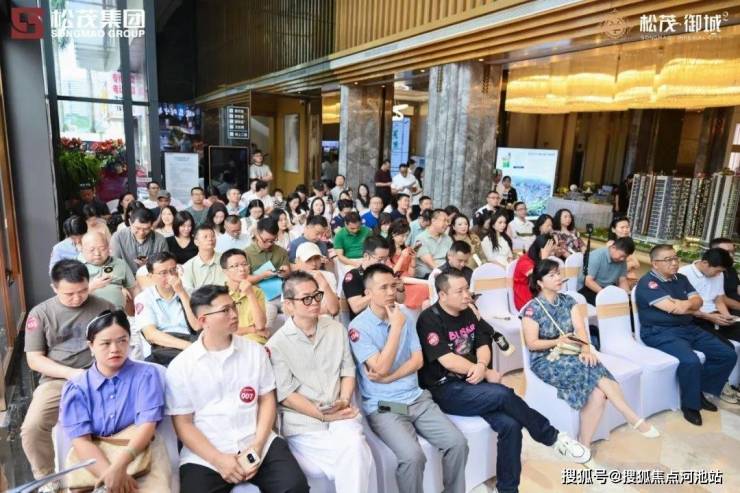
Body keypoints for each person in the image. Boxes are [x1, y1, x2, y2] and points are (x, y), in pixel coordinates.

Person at [419, 270, 596, 493]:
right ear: (443, 295)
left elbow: (483, 343)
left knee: (511, 425)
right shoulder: (429, 319)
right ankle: (551, 436)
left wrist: (482, 366)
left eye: (467, 289)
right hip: (446, 388)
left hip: (475, 382)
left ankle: (508, 489)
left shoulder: (469, 311)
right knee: (503, 394)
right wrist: (483, 372)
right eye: (460, 291)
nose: (467, 295)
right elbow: (448, 360)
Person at [166, 285, 308, 493]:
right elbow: (183, 424)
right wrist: (218, 459)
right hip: (207, 454)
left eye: (233, 307)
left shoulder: (255, 352)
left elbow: (266, 400)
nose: (234, 314)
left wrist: (257, 446)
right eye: (225, 310)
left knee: (294, 487)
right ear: (203, 320)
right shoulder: (181, 366)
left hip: (257, 441)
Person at [348, 264, 468, 493]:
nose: (391, 292)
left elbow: (418, 361)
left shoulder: (405, 317)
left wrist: (390, 376)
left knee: (457, 443)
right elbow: (379, 367)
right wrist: (396, 328)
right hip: (385, 406)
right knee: (413, 457)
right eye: (383, 288)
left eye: (393, 286)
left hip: (417, 399)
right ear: (368, 293)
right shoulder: (358, 327)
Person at [521, 261, 659, 447]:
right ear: (540, 282)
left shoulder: (568, 301)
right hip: (546, 359)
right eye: (551, 275)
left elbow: (580, 329)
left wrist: (587, 349)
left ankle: (584, 445)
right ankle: (631, 416)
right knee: (592, 369)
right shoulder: (532, 309)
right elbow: (532, 344)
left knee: (598, 391)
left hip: (571, 353)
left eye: (558, 273)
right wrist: (558, 341)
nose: (558, 278)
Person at [266, 272, 377, 493]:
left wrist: (344, 400)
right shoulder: (276, 344)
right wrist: (324, 415)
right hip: (304, 421)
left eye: (317, 295)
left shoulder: (336, 329)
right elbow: (287, 395)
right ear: (289, 305)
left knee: (354, 448)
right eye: (306, 299)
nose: (315, 302)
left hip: (340, 411)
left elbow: (347, 371)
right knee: (358, 456)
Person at [21, 260, 115, 485]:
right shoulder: (41, 313)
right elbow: (34, 359)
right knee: (32, 428)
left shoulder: (105, 308)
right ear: (54, 288)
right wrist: (71, 373)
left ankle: (111, 473)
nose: (77, 298)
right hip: (57, 379)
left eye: (83, 290)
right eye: (69, 294)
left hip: (101, 375)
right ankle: (46, 480)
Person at [59, 310, 171, 492]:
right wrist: (110, 474)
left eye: (122, 341)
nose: (115, 349)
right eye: (105, 343)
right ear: (91, 346)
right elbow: (81, 441)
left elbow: (147, 426)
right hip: (94, 461)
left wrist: (120, 465)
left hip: (142, 453)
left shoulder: (146, 375)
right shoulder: (77, 387)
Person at [635, 244, 737, 426]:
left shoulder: (681, 278)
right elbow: (674, 308)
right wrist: (686, 305)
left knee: (727, 354)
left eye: (675, 258)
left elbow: (698, 302)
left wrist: (685, 304)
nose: (674, 263)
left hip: (687, 327)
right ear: (655, 263)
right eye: (668, 260)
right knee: (690, 361)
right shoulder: (648, 283)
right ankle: (690, 405)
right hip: (659, 332)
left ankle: (698, 391)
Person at [678, 247, 740, 403]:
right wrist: (711, 318)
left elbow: (719, 301)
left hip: (714, 316)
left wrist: (727, 316)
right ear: (705, 263)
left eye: (721, 272)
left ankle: (730, 382)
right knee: (726, 348)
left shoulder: (719, 274)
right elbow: (683, 307)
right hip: (695, 318)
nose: (719, 275)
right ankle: (717, 385)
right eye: (717, 271)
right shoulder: (684, 274)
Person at [135, 252, 200, 366]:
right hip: (162, 351)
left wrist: (182, 293)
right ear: (151, 277)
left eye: (173, 270)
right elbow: (151, 335)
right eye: (163, 273)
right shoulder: (144, 298)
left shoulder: (190, 293)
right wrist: (189, 347)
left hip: (191, 343)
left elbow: (197, 326)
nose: (171, 276)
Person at [343, 235, 405, 321]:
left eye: (386, 259)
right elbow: (356, 307)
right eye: (380, 259)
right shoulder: (353, 276)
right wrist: (378, 291)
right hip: (365, 322)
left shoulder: (386, 272)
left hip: (388, 317)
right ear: (366, 256)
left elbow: (400, 300)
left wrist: (400, 289)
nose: (383, 263)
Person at [245, 217, 291, 328]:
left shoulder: (281, 252)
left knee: (294, 318)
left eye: (273, 240)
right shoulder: (246, 253)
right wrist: (262, 276)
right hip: (260, 295)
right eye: (265, 240)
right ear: (257, 234)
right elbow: (244, 279)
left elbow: (288, 273)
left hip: (281, 293)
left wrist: (284, 272)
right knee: (267, 324)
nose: (269, 244)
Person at [221, 248, 269, 344]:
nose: (242, 269)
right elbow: (222, 331)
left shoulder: (257, 292)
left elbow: (260, 326)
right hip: (230, 342)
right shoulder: (219, 295)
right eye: (235, 266)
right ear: (225, 271)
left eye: (244, 264)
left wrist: (250, 294)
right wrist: (252, 329)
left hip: (256, 342)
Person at [80, 232, 136, 310]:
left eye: (102, 249)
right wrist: (92, 286)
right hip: (89, 313)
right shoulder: (75, 267)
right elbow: (71, 297)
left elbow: (133, 289)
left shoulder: (120, 263)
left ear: (109, 248)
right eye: (92, 250)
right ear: (82, 249)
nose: (97, 253)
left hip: (117, 312)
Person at [110, 207, 169, 274]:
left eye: (146, 229)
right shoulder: (118, 237)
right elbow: (114, 264)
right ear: (130, 222)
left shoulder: (160, 240)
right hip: (125, 277)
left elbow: (165, 265)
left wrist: (148, 266)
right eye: (137, 228)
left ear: (151, 225)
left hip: (151, 276)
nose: (141, 232)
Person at [578, 237, 635, 305]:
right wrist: (606, 295)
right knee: (610, 306)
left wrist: (626, 295)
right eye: (622, 256)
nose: (623, 259)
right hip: (591, 289)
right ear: (613, 248)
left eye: (625, 257)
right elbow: (588, 281)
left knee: (626, 305)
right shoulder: (597, 256)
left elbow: (622, 280)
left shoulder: (621, 261)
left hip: (608, 290)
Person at [387, 220, 430, 310]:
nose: (405, 239)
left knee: (427, 288)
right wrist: (402, 257)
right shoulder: (386, 250)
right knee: (424, 288)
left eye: (407, 236)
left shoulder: (406, 249)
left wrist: (413, 259)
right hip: (397, 284)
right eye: (402, 236)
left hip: (409, 280)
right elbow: (392, 274)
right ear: (393, 234)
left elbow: (411, 274)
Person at [293, 242, 340, 318]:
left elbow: (334, 310)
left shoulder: (328, 275)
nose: (314, 263)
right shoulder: (291, 281)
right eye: (309, 259)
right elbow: (292, 313)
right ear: (297, 261)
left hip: (327, 321)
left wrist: (324, 283)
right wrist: (323, 309)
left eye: (317, 258)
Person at [513, 234, 556, 311]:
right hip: (526, 302)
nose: (552, 254)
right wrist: (544, 259)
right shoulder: (524, 262)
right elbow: (538, 278)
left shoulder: (538, 259)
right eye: (550, 251)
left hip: (539, 298)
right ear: (541, 250)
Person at [182, 225, 226, 292]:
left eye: (213, 236)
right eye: (205, 237)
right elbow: (189, 293)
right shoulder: (188, 267)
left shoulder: (226, 260)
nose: (210, 239)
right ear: (196, 242)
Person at [415, 209, 453, 279]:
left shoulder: (448, 238)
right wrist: (447, 275)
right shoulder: (419, 239)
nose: (447, 224)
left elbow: (452, 257)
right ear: (433, 221)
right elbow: (431, 263)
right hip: (428, 275)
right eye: (444, 220)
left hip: (444, 272)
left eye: (447, 221)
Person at [606, 216, 640, 288]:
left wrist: (628, 265)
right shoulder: (611, 245)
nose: (625, 230)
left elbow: (637, 264)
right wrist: (630, 264)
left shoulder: (628, 244)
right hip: (617, 281)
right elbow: (612, 269)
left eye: (627, 227)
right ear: (613, 229)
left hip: (630, 280)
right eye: (622, 227)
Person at [710, 237, 740, 314]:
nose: (731, 255)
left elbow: (738, 288)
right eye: (727, 252)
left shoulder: (731, 269)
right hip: (725, 310)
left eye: (733, 252)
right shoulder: (710, 271)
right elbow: (720, 299)